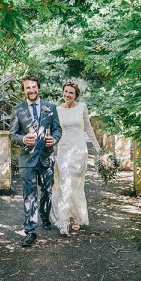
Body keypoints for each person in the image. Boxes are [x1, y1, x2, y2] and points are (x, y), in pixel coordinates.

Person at [10, 75, 62, 246]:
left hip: (46, 157)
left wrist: (53, 140)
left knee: (47, 191)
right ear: (23, 90)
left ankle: (45, 217)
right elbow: (12, 135)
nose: (31, 90)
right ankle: (30, 230)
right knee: (29, 195)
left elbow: (57, 130)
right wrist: (23, 139)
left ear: (38, 88)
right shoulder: (18, 109)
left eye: (33, 87)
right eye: (27, 88)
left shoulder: (50, 107)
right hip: (27, 159)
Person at [50, 81, 101, 236]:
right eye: (65, 91)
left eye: (71, 92)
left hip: (79, 151)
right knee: (65, 184)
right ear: (62, 92)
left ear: (76, 95)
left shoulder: (82, 107)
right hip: (64, 151)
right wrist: (51, 149)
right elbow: (54, 131)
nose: (67, 95)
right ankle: (63, 223)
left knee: (76, 186)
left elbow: (88, 127)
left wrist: (98, 147)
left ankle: (76, 218)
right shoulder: (57, 109)